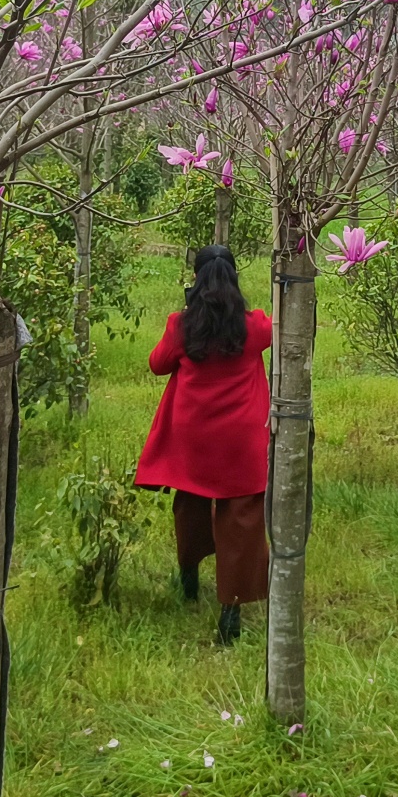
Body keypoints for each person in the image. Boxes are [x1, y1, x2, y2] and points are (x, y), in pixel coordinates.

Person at [135, 244, 271, 645]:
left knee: (190, 503)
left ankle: (189, 577)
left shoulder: (181, 325)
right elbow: (284, 330)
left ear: (195, 280)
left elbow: (157, 364)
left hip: (194, 436)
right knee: (242, 519)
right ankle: (230, 609)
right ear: (234, 279)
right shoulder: (254, 326)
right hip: (241, 439)